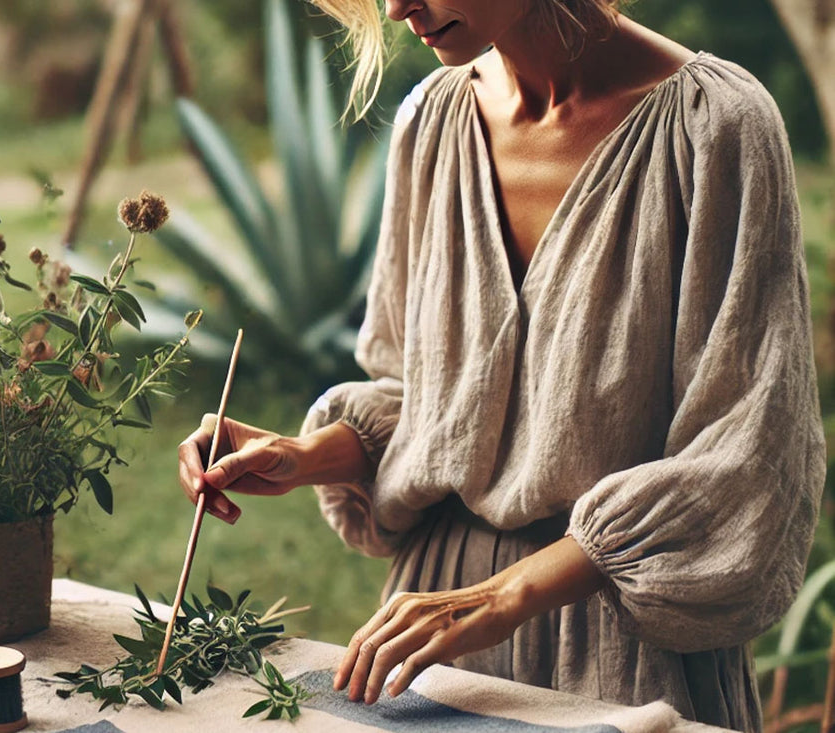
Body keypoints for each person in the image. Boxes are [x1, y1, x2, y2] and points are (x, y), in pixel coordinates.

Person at [176, 1, 826, 729]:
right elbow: (421, 394)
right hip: (431, 643)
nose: (397, 9)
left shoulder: (718, 127)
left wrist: (505, 595)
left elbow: (747, 457)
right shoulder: (432, 120)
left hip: (625, 654)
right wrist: (304, 454)